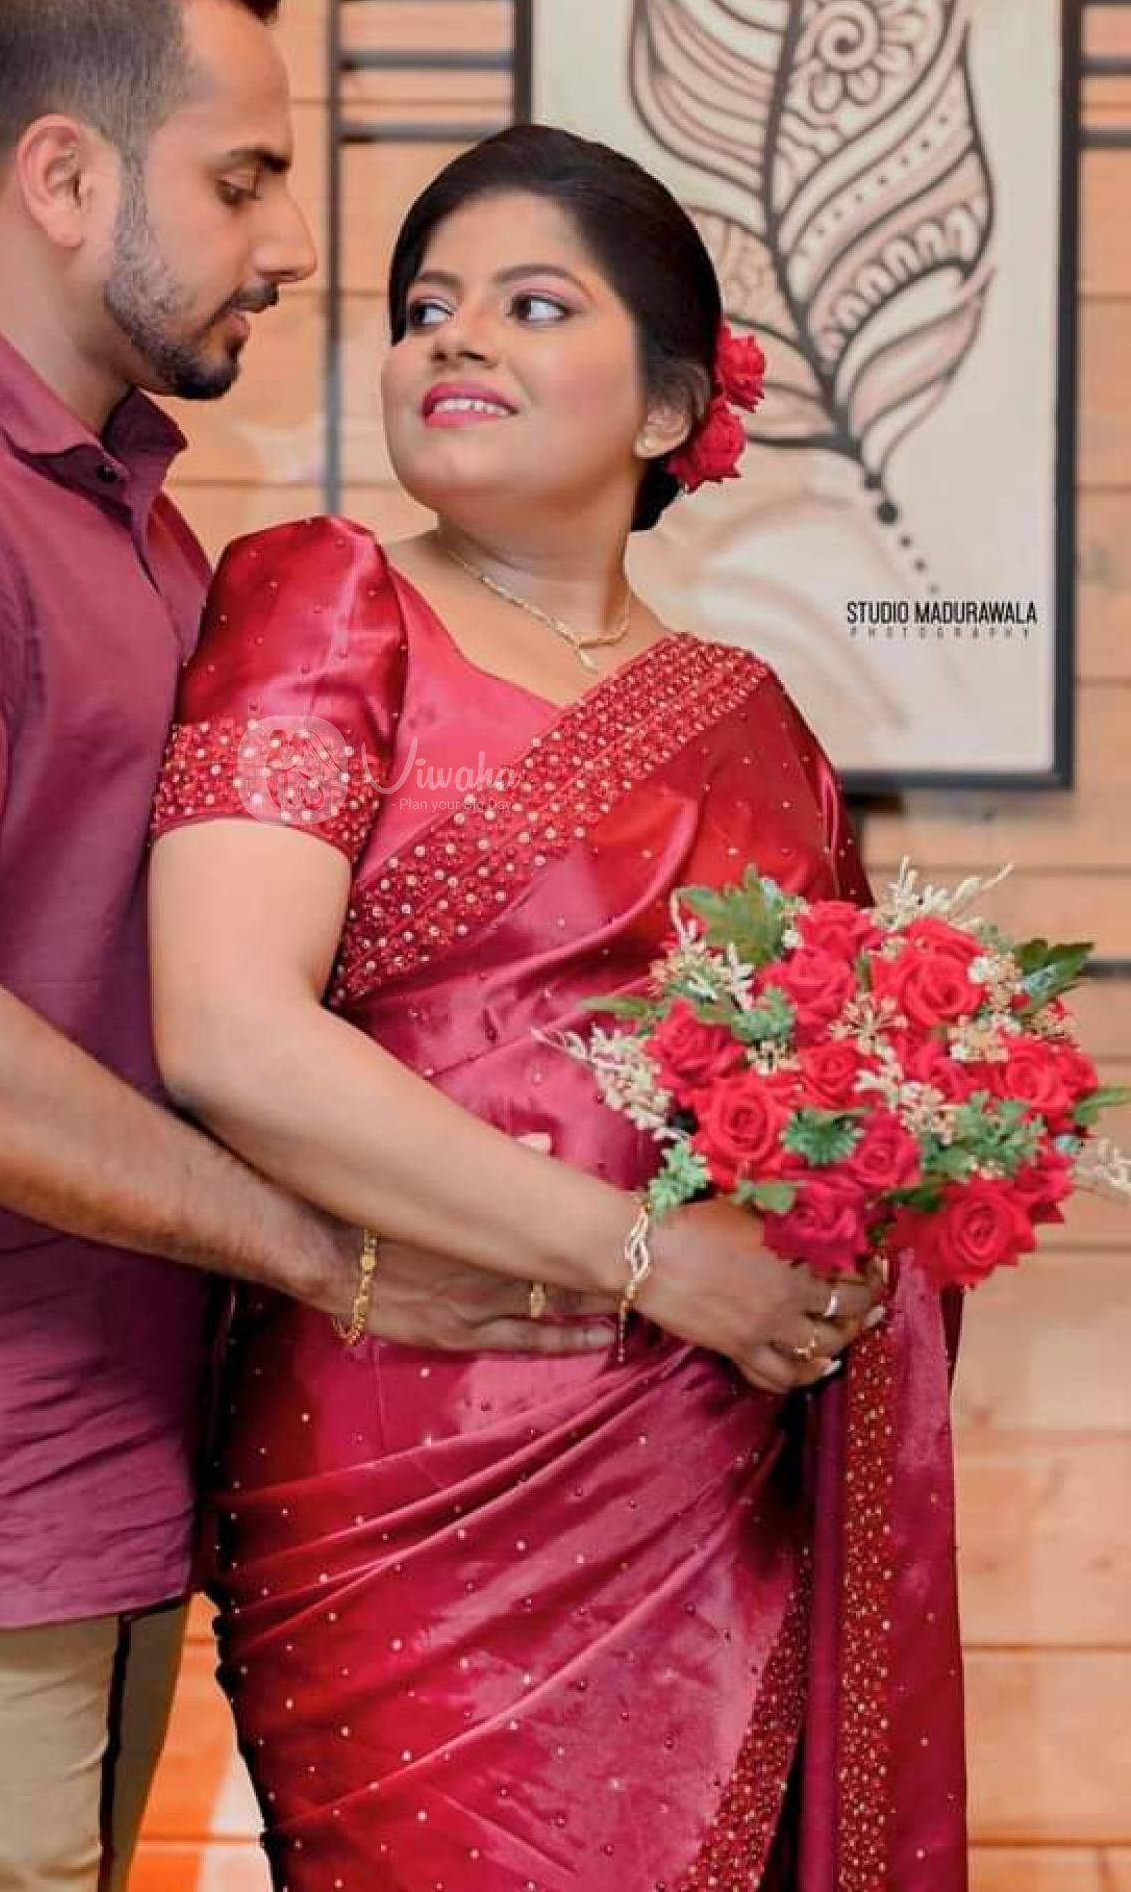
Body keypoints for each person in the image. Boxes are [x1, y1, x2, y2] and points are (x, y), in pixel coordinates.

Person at [0, 0, 602, 1892]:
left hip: (91, 1460)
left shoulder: (117, 518)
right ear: (67, 177)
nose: (295, 242)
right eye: (244, 177)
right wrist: (325, 1249)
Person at [149, 124, 968, 1889]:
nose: (453, 335)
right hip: (405, 1470)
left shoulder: (758, 720)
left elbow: (837, 1107)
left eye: (532, 303)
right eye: (425, 308)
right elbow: (228, 1032)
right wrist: (655, 1259)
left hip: (699, 1473)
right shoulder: (326, 603)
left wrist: (841, 1258)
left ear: (671, 406)